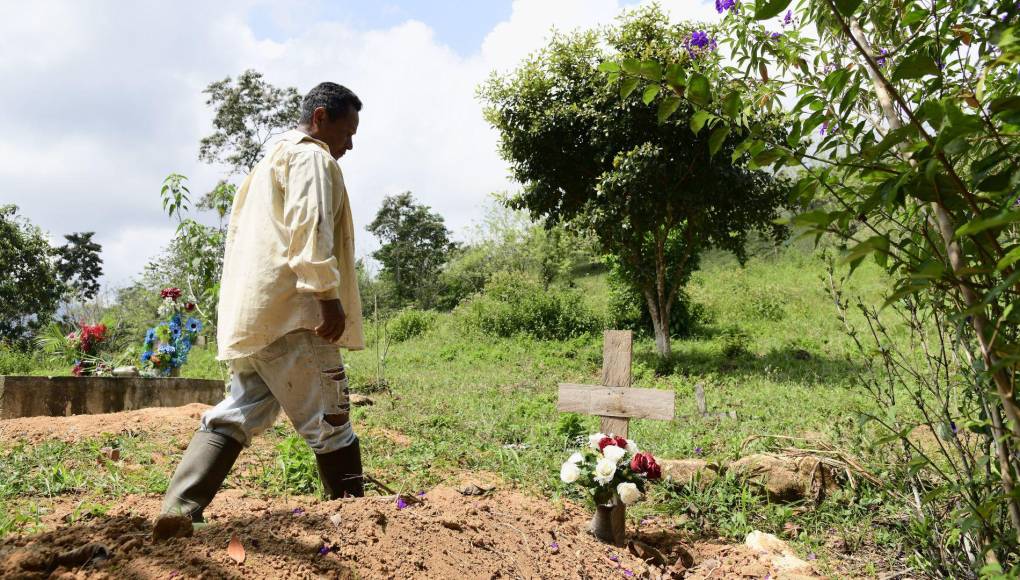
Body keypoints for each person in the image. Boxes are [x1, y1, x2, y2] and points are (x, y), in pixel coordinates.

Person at [154, 82, 366, 539]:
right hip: (296, 314)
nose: (349, 144)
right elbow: (309, 232)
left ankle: (179, 508)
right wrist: (327, 299)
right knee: (332, 421)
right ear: (321, 118)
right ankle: (361, 528)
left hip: (255, 318)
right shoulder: (311, 157)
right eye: (347, 132)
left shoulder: (269, 161)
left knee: (240, 409)